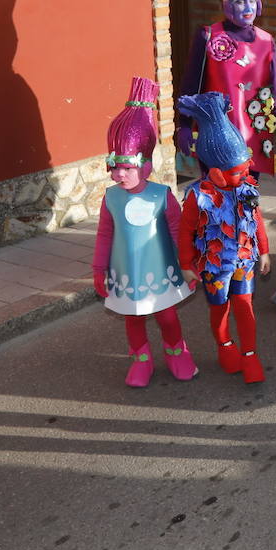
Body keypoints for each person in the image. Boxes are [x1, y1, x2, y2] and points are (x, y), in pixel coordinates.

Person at [93, 77, 196, 387]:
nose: (118, 174)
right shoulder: (111, 197)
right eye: (114, 165)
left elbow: (180, 231)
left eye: (127, 166)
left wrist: (188, 266)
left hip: (160, 272)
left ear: (146, 164)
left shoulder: (161, 195)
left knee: (166, 316)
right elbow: (104, 236)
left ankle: (177, 351)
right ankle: (141, 359)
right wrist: (99, 269)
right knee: (133, 319)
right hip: (127, 273)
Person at [175, 0, 276, 178]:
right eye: (240, 2)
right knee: (217, 196)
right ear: (227, 5)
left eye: (251, 1)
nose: (248, 9)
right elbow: (191, 85)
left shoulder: (266, 40)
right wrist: (183, 125)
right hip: (216, 135)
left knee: (248, 197)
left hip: (254, 133)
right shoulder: (208, 37)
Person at [176, 91, 270, 384]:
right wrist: (185, 263)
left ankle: (251, 354)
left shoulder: (247, 188)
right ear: (216, 173)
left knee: (245, 304)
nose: (245, 174)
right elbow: (185, 230)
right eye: (237, 172)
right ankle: (225, 344)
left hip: (244, 259)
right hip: (214, 266)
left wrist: (264, 251)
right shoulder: (197, 197)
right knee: (220, 307)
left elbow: (257, 220)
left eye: (246, 169)